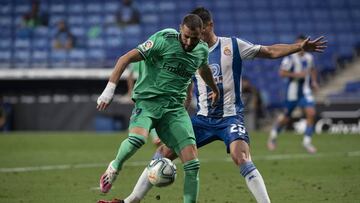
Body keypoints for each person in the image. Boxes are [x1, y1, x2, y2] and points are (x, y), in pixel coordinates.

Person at [98, 7, 327, 203]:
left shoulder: (233, 46)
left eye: (201, 31)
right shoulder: (191, 52)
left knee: (241, 157)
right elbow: (186, 77)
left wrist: (299, 47)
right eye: (191, 34)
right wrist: (185, 102)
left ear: (209, 25)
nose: (196, 38)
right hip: (203, 118)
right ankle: (130, 200)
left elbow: (268, 51)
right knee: (163, 153)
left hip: (230, 118)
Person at [96, 14, 220, 203]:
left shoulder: (201, 50)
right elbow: (125, 58)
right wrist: (109, 91)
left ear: (201, 33)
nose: (188, 42)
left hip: (174, 110)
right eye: (186, 36)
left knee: (193, 165)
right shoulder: (164, 39)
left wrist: (214, 89)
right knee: (137, 139)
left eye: (194, 38)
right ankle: (115, 166)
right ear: (180, 28)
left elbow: (203, 69)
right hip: (148, 101)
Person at [267, 35, 320, 154]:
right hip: (292, 92)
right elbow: (282, 73)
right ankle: (273, 136)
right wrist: (297, 75)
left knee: (311, 113)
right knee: (286, 118)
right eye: (299, 44)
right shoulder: (290, 58)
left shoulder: (309, 57)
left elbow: (312, 69)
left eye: (303, 44)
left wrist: (314, 81)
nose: (301, 46)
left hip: (305, 91)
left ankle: (307, 142)